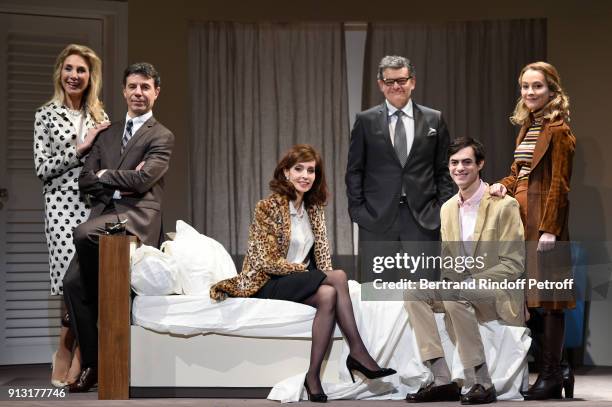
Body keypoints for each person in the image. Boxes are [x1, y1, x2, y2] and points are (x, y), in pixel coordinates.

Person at [210, 144, 395, 403]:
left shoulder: (314, 208)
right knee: (338, 277)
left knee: (329, 294)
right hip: (267, 281)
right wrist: (307, 271)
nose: (305, 175)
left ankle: (313, 376)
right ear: (286, 172)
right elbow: (266, 262)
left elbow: (322, 255)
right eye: (299, 169)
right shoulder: (267, 207)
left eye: (311, 170)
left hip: (295, 280)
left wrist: (319, 273)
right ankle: (358, 352)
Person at [62, 62, 174, 392]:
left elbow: (142, 181)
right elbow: (84, 181)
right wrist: (112, 183)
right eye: (133, 87)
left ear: (156, 92)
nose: (138, 93)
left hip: (135, 219)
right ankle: (94, 363)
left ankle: (108, 359)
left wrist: (105, 176)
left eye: (145, 87)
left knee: (82, 233)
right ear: (124, 91)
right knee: (72, 284)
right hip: (104, 215)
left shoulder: (162, 135)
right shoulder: (106, 132)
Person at [405, 138, 525, 404]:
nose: (460, 168)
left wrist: (468, 283)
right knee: (413, 291)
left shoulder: (504, 205)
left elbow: (513, 264)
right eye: (455, 163)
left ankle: (483, 383)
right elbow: (449, 263)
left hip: (498, 291)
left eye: (467, 162)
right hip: (462, 290)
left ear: (480, 164)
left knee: (456, 293)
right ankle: (441, 380)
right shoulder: (447, 208)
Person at [490, 61, 576, 400]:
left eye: (537, 86)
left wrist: (550, 229)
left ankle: (552, 374)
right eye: (525, 86)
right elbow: (519, 173)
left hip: (543, 222)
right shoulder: (527, 127)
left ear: (552, 90)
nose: (530, 92)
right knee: (531, 299)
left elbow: (560, 184)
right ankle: (559, 367)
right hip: (520, 221)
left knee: (549, 300)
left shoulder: (558, 131)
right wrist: (502, 185)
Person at [33, 43, 110, 387]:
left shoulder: (101, 117)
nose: (74, 76)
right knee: (68, 283)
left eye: (81, 70)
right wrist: (80, 147)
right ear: (60, 73)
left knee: (88, 284)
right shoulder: (45, 115)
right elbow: (42, 168)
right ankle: (65, 349)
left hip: (95, 208)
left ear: (90, 76)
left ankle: (81, 355)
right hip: (62, 208)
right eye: (69, 69)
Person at [346, 55, 454, 265]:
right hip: (377, 218)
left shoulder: (434, 119)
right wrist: (358, 211)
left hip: (424, 218)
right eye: (389, 81)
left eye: (402, 80)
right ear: (381, 85)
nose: (396, 86)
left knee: (424, 293)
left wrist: (441, 209)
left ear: (412, 82)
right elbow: (354, 171)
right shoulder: (365, 121)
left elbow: (443, 170)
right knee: (379, 292)